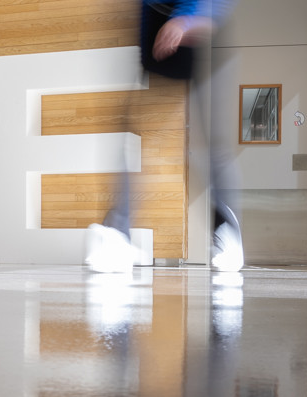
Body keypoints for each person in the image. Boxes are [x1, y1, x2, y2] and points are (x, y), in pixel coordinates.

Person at [85, 0, 243, 273]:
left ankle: (227, 233)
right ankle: (118, 232)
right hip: (157, 30)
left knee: (212, 142)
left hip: (203, 30)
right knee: (131, 134)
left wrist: (187, 19)